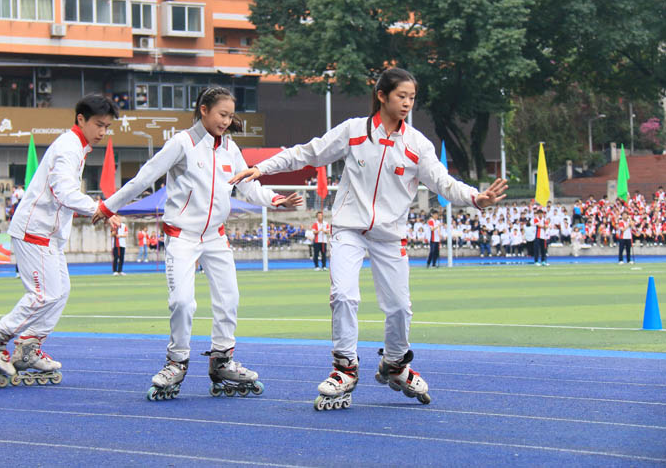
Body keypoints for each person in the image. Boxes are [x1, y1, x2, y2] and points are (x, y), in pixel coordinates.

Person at [229, 67, 507, 410]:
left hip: (390, 236)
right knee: (344, 296)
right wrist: (263, 169)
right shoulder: (354, 131)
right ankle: (345, 367)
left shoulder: (417, 145)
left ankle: (394, 364)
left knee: (400, 308)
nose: (407, 103)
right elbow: (308, 152)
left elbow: (442, 181)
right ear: (382, 96)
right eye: (401, 96)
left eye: (412, 98)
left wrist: (476, 198)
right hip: (349, 229)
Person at [92, 87, 303, 400]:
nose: (226, 121)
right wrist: (109, 206)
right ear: (203, 110)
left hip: (216, 237)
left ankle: (222, 361)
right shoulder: (183, 143)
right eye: (222, 114)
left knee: (229, 298)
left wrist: (277, 199)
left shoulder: (230, 148)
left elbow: (247, 187)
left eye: (231, 116)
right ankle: (176, 360)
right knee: (182, 302)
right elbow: (144, 176)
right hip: (182, 236)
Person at [0, 94, 118, 386]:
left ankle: (27, 349)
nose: (103, 132)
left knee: (59, 292)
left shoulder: (78, 148)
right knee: (44, 294)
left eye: (107, 127)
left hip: (48, 235)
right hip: (34, 231)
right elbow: (64, 192)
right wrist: (100, 209)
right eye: (99, 125)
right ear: (81, 119)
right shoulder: (68, 148)